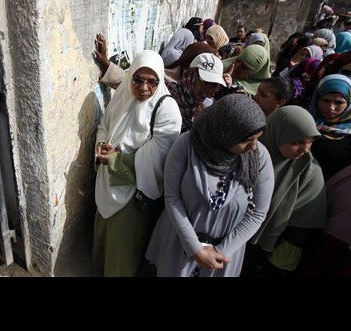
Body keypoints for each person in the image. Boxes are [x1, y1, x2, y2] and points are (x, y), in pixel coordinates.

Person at [145, 94, 274, 277]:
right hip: (179, 242)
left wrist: (220, 252)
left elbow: (258, 213)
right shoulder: (187, 144)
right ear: (225, 134)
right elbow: (172, 197)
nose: (254, 147)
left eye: (257, 138)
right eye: (246, 140)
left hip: (224, 255)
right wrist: (195, 249)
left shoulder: (258, 157)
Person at [93, 50, 182, 276]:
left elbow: (158, 157)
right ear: (130, 76)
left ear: (160, 81)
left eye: (152, 82)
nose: (144, 88)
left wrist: (116, 159)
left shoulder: (167, 110)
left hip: (135, 188)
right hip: (107, 180)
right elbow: (105, 123)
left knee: (123, 245)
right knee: (105, 234)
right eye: (138, 80)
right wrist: (103, 142)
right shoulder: (123, 95)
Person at [244, 106, 326, 276]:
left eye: (310, 141)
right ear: (275, 134)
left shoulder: (309, 171)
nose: (305, 150)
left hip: (264, 252)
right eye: (296, 142)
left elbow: (300, 229)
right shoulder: (247, 153)